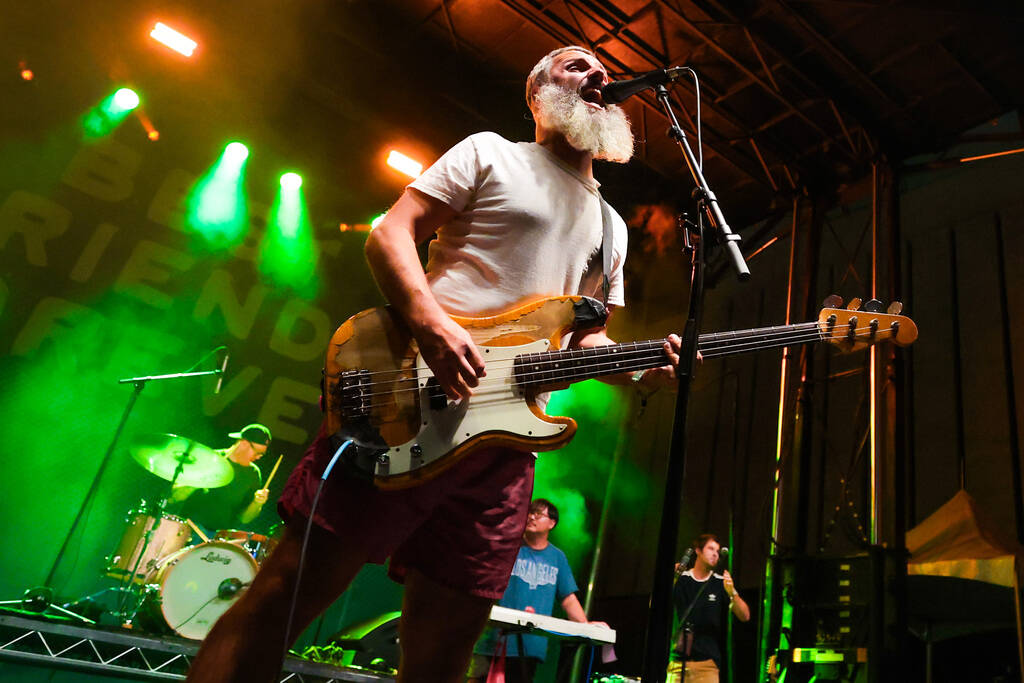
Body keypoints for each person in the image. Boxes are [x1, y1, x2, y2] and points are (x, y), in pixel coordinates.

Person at [185, 45, 682, 683]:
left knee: (445, 656)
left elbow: (583, 342)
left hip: (504, 446)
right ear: (536, 95)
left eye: (601, 69)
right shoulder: (492, 153)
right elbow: (391, 233)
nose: (598, 74)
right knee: (284, 598)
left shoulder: (613, 227)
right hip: (409, 402)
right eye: (575, 65)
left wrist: (643, 365)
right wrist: (432, 325)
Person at [467, 498, 606, 683]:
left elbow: (568, 598)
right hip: (491, 641)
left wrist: (585, 625)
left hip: (530, 645)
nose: (531, 517)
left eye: (538, 514)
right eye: (529, 512)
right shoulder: (508, 546)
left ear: (552, 523)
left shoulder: (557, 557)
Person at [668, 534, 751, 683]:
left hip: (706, 666)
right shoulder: (682, 579)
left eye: (717, 551)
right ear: (698, 551)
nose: (715, 554)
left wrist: (732, 592)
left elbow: (745, 615)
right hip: (677, 664)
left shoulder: (720, 583)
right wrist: (671, 579)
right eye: (710, 548)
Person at [169, 423, 271, 533]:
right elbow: (174, 497)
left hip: (218, 537)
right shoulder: (210, 458)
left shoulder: (253, 474)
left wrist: (257, 503)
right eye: (258, 452)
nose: (258, 457)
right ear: (244, 444)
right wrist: (199, 480)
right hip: (187, 528)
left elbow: (244, 519)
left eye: (262, 454)